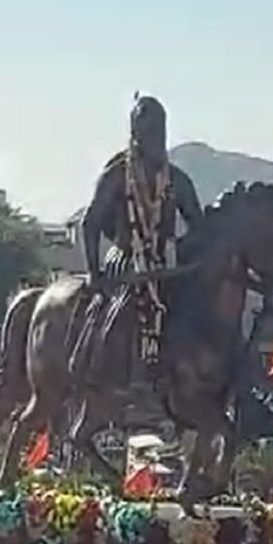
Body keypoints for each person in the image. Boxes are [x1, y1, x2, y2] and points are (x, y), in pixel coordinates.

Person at [79, 95, 204, 383]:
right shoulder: (116, 176)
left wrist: (180, 253)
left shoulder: (178, 180)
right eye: (149, 132)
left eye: (160, 131)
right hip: (124, 260)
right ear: (135, 135)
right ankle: (108, 378)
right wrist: (93, 273)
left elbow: (199, 225)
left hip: (166, 262)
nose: (156, 138)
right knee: (126, 310)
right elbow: (90, 223)